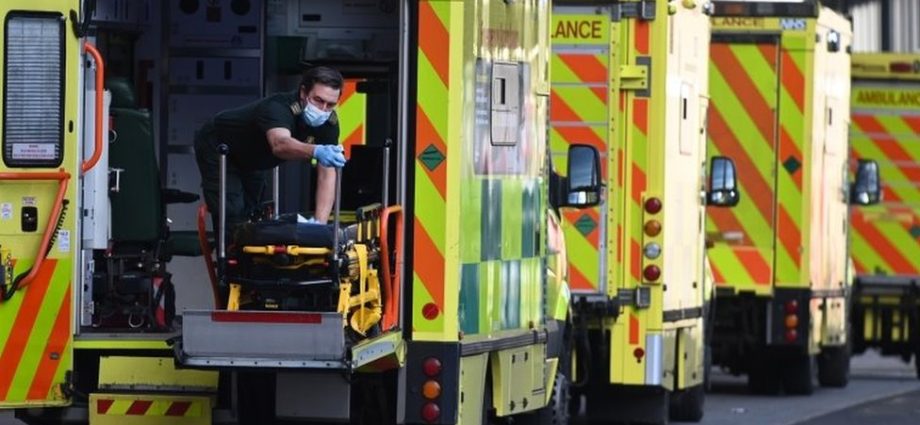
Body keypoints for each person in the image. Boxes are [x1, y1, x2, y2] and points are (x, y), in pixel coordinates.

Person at [194, 66, 347, 230]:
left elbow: (327, 175)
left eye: (330, 104)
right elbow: (280, 144)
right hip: (219, 146)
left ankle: (246, 253)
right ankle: (228, 254)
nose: (323, 109)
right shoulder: (277, 107)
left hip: (254, 156)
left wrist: (319, 225)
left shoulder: (329, 124)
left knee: (253, 212)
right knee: (232, 209)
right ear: (303, 93)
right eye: (318, 100)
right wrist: (316, 150)